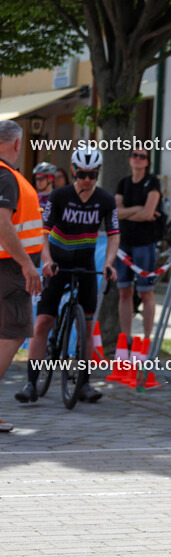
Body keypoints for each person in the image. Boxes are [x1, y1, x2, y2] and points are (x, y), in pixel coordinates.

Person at [16, 147, 118, 404]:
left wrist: (108, 263)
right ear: (74, 171)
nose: (87, 179)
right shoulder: (59, 196)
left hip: (84, 265)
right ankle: (31, 382)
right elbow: (44, 232)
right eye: (82, 174)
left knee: (86, 325)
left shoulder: (105, 200)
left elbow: (114, 234)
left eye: (92, 174)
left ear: (98, 173)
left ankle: (83, 383)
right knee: (42, 324)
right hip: (57, 264)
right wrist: (47, 260)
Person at [0, 121, 44, 431]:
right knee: (13, 333)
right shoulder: (7, 177)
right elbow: (2, 224)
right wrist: (27, 265)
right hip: (9, 268)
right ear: (17, 144)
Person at [115, 144, 164, 341]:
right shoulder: (123, 183)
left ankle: (146, 339)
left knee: (146, 292)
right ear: (129, 159)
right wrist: (137, 209)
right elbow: (115, 213)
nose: (138, 159)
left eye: (142, 156)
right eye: (134, 155)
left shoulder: (152, 182)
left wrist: (132, 213)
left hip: (145, 243)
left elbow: (148, 213)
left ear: (147, 162)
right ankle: (125, 338)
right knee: (124, 291)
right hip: (123, 242)